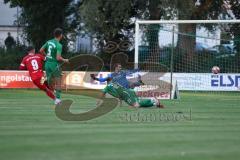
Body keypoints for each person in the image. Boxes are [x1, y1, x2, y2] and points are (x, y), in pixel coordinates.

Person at [91, 63, 164, 108]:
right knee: (136, 102)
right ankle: (153, 101)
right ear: (116, 67)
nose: (121, 68)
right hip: (124, 91)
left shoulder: (123, 72)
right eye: (119, 67)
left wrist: (139, 68)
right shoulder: (111, 75)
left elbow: (132, 71)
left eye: (121, 67)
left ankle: (141, 85)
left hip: (127, 89)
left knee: (132, 88)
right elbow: (103, 80)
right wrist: (95, 78)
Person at [39, 28, 69, 105]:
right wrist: (64, 60)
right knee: (58, 82)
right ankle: (58, 99)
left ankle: (53, 93)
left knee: (50, 81)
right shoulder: (59, 45)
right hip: (54, 64)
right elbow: (58, 58)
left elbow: (41, 50)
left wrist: (47, 56)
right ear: (61, 35)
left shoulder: (49, 42)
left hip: (47, 64)